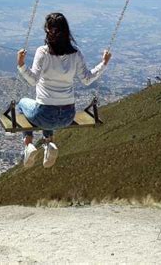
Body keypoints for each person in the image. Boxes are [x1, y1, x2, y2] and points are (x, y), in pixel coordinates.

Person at [17, 12, 111, 168]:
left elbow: (33, 80)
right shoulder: (75, 53)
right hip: (68, 115)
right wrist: (104, 63)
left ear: (47, 30)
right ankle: (49, 144)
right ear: (67, 31)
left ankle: (28, 145)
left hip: (44, 115)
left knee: (22, 104)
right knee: (49, 110)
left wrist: (21, 64)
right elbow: (87, 78)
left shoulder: (43, 52)